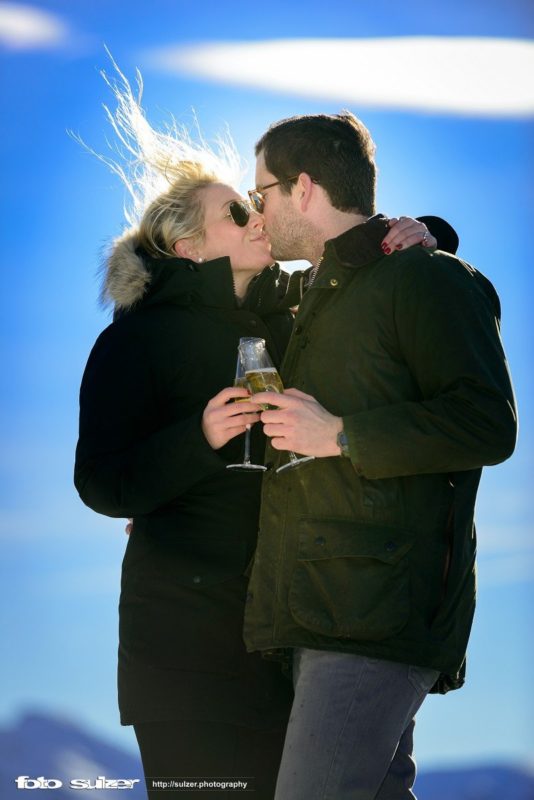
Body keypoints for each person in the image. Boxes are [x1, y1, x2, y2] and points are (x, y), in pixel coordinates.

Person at [73, 70, 443, 800]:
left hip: (292, 640)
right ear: (186, 247)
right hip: (183, 655)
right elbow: (103, 484)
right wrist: (199, 436)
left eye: (258, 205)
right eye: (238, 214)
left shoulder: (295, 312)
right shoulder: (136, 343)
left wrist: (422, 235)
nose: (259, 220)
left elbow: (361, 279)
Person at [240, 112, 518, 800]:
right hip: (318, 612)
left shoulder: (426, 279)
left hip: (374, 617)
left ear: (302, 188)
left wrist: (340, 434)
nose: (257, 213)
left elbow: (486, 423)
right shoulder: (319, 295)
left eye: (261, 195)